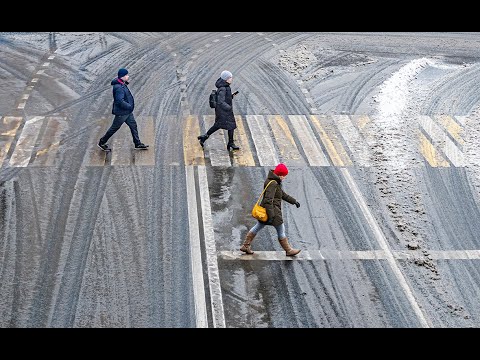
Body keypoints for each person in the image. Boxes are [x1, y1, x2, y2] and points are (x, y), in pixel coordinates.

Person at [241, 163, 301, 256]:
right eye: (284, 176)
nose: (284, 177)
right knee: (281, 230)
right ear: (280, 175)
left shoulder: (273, 181)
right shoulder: (273, 184)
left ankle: (245, 245)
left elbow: (282, 194)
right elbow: (268, 200)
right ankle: (288, 250)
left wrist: (294, 201)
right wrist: (271, 215)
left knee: (258, 226)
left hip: (267, 211)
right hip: (272, 211)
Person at [98, 68, 149, 151]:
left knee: (133, 126)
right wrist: (129, 106)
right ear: (123, 76)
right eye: (126, 75)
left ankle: (137, 143)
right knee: (114, 128)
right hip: (122, 113)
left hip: (127, 112)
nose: (128, 76)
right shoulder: (119, 88)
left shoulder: (121, 84)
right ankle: (102, 142)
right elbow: (119, 101)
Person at [198, 70, 240, 151]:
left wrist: (230, 96)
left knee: (229, 126)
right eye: (230, 78)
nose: (231, 79)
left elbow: (223, 98)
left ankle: (230, 143)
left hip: (223, 111)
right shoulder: (223, 88)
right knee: (222, 125)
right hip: (223, 112)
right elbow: (220, 101)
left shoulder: (225, 86)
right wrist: (228, 107)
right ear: (226, 79)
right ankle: (204, 137)